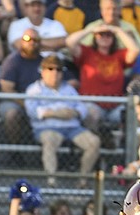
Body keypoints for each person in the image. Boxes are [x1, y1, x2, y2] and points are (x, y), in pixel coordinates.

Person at [24, 53, 101, 187]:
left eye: (58, 69)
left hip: (72, 127)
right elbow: (33, 112)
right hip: (47, 127)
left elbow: (81, 108)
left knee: (94, 142)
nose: (55, 73)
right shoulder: (34, 90)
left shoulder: (69, 89)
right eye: (50, 69)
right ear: (42, 71)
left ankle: (82, 180)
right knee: (50, 140)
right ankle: (52, 181)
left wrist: (74, 112)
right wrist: (59, 113)